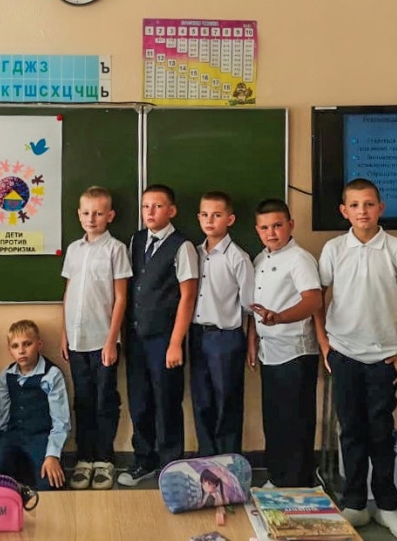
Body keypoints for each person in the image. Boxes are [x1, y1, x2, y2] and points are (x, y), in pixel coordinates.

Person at [316, 178, 397, 541]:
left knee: (380, 432)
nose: (362, 211)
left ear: (381, 208)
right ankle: (355, 503)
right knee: (350, 432)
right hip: (344, 355)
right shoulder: (333, 249)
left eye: (369, 204)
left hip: (385, 358)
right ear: (343, 211)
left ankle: (388, 506)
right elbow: (318, 299)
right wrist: (325, 345)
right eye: (354, 205)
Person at [118, 184, 199, 486]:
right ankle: (144, 460)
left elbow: (187, 297)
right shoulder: (136, 240)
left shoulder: (182, 246)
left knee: (167, 402)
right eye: (145, 206)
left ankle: (170, 464)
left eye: (157, 206)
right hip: (137, 337)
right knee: (139, 401)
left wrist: (176, 342)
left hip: (165, 339)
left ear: (172, 211)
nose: (150, 212)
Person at [60, 186, 132, 490]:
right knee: (83, 400)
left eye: (99, 213)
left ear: (110, 216)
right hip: (76, 340)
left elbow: (121, 297)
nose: (92, 218)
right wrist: (64, 333)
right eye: (87, 213)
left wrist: (111, 340)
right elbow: (68, 292)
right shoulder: (74, 249)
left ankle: (104, 459)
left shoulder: (116, 249)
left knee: (105, 400)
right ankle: (84, 458)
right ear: (79, 215)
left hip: (103, 340)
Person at [247, 198, 321, 487]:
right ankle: (278, 478)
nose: (272, 233)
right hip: (269, 351)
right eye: (265, 227)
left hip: (295, 352)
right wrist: (252, 339)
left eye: (277, 225)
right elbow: (256, 307)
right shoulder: (260, 259)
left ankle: (296, 481)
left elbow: (313, 301)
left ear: (290, 225)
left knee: (295, 421)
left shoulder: (300, 259)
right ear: (257, 230)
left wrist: (279, 318)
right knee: (275, 419)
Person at [190, 191, 253, 457]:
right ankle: (206, 459)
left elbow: (250, 305)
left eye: (217, 215)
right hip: (196, 335)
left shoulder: (238, 257)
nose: (210, 220)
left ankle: (228, 462)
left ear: (230, 219)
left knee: (227, 402)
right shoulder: (193, 253)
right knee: (201, 401)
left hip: (225, 337)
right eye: (205, 214)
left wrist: (251, 341)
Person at [0, 319, 70, 490]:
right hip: (14, 435)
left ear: (39, 344)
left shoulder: (51, 375)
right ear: (10, 350)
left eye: (27, 344)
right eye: (15, 346)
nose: (21, 351)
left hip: (41, 436)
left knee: (49, 481)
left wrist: (52, 455)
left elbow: (61, 421)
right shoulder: (6, 375)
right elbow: (1, 415)